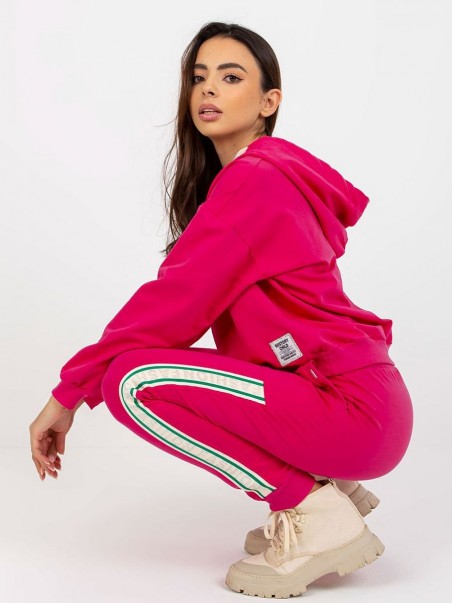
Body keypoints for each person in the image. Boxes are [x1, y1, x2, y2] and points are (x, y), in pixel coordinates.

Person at [29, 21, 414, 598]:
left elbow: (170, 308)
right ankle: (325, 490)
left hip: (349, 407)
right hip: (360, 399)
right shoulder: (259, 177)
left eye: (231, 77)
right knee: (154, 371)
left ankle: (315, 511)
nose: (208, 89)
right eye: (198, 77)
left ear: (268, 102)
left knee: (132, 382)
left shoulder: (254, 180)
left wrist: (68, 394)